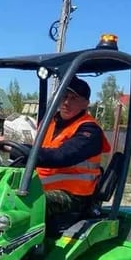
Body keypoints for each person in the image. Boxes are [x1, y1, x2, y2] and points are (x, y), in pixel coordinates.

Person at [34, 77, 111, 216]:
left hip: (75, 196)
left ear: (86, 103)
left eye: (74, 98)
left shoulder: (90, 131)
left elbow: (62, 156)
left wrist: (28, 152)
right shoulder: (47, 124)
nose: (66, 102)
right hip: (41, 187)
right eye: (64, 96)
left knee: (30, 203)